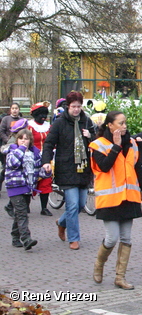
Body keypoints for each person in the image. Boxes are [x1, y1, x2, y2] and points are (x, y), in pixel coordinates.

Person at [90, 110, 142, 290]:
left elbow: (137, 170)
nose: (124, 126)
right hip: (109, 200)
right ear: (110, 126)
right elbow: (103, 166)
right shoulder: (97, 145)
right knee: (111, 239)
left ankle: (120, 277)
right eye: (120, 123)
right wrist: (116, 146)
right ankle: (99, 265)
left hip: (129, 198)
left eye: (125, 123)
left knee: (126, 238)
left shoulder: (132, 143)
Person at [42, 91, 96, 250]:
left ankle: (62, 222)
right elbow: (49, 143)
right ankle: (74, 239)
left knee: (79, 205)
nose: (76, 110)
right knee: (72, 205)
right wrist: (46, 161)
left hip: (83, 169)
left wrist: (90, 137)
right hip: (66, 168)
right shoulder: (59, 122)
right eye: (73, 107)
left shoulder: (86, 122)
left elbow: (97, 142)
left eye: (79, 106)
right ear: (68, 106)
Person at [5, 129, 50, 250]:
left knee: (19, 213)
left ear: (31, 141)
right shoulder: (12, 151)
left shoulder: (35, 153)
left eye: (26, 139)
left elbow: (38, 172)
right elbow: (12, 164)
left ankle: (15, 237)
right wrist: (21, 149)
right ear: (17, 140)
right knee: (22, 213)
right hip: (15, 186)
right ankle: (26, 238)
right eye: (21, 138)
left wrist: (47, 171)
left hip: (28, 187)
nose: (24, 141)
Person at [27, 102, 53, 216]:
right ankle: (25, 206)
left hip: (47, 158)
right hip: (32, 158)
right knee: (30, 181)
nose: (43, 116)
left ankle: (44, 208)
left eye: (45, 114)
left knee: (46, 182)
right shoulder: (29, 126)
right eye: (40, 114)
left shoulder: (49, 127)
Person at [2, 118, 29, 218]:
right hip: (13, 169)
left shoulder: (23, 139)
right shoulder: (14, 141)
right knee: (15, 188)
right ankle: (11, 206)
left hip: (20, 171)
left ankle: (11, 206)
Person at [0, 103, 23, 194]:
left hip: (19, 147)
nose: (14, 110)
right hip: (7, 147)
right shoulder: (6, 119)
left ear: (19, 109)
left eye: (16, 108)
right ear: (10, 110)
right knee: (6, 166)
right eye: (13, 108)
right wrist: (8, 140)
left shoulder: (22, 120)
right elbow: (1, 131)